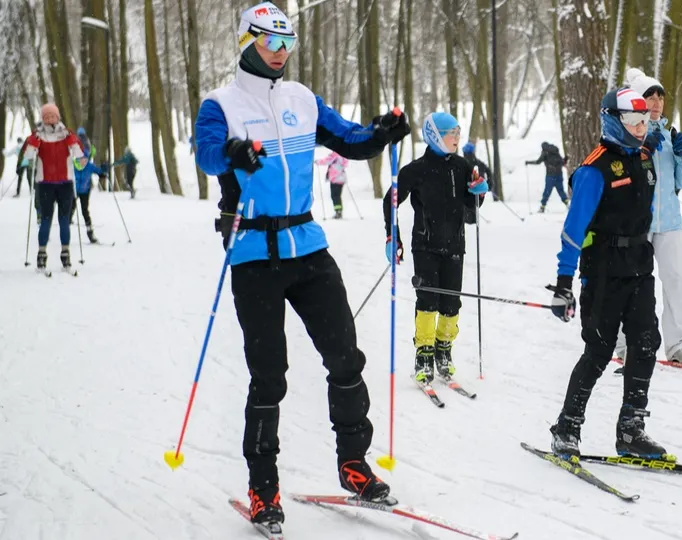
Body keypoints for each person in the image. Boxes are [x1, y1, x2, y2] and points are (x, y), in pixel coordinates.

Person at [193, 2, 410, 530]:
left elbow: (350, 139)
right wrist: (234, 153)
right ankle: (263, 488)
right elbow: (207, 155)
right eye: (272, 42)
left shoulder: (303, 99)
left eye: (288, 42)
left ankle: (354, 465)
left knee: (345, 357)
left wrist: (381, 132)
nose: (281, 52)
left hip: (308, 248)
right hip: (254, 256)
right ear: (247, 42)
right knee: (269, 376)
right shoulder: (220, 104)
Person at [546, 87, 668, 460]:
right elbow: (573, 230)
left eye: (644, 120)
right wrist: (564, 283)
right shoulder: (593, 169)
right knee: (599, 351)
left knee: (645, 344)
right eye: (632, 120)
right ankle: (567, 427)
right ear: (612, 120)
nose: (640, 127)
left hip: (639, 267)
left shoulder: (645, 159)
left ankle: (631, 428)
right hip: (603, 272)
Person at [382, 112, 487, 384]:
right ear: (435, 136)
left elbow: (471, 210)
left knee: (451, 304)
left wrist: (479, 193)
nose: (457, 138)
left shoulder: (463, 166)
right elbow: (390, 201)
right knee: (427, 301)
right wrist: (392, 236)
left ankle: (444, 350)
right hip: (425, 247)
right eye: (451, 133)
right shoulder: (415, 170)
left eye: (458, 132)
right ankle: (424, 354)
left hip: (455, 247)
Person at [612, 68, 682, 365]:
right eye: (650, 96)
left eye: (660, 96)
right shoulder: (626, 135)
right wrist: (643, 150)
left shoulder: (669, 135)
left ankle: (678, 344)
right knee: (633, 282)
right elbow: (621, 176)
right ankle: (625, 343)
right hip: (638, 222)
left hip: (669, 221)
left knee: (676, 281)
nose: (657, 102)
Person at [22, 103, 84, 271]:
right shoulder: (38, 135)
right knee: (46, 220)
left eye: (52, 116)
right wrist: (32, 143)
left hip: (65, 183)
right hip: (45, 184)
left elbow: (80, 155)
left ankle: (65, 253)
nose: (50, 119)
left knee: (64, 220)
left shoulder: (66, 134)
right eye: (46, 116)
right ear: (43, 119)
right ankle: (41, 254)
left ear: (58, 117)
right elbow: (28, 156)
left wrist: (74, 143)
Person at [526, 141, 568, 213]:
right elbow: (562, 162)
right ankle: (568, 205)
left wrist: (528, 162)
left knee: (547, 191)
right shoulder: (556, 151)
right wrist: (565, 159)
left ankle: (542, 207)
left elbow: (538, 162)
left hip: (550, 175)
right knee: (561, 190)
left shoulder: (545, 152)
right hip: (559, 175)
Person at [72, 156, 106, 243]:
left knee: (85, 211)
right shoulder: (72, 165)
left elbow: (99, 171)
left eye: (86, 159)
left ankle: (90, 233)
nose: (84, 162)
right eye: (82, 159)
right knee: (70, 209)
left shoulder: (89, 166)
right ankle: (65, 231)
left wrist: (103, 171)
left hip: (85, 191)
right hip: (73, 191)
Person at [316, 151, 348, 219]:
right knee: (337, 196)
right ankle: (339, 211)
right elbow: (345, 164)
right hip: (341, 178)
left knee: (334, 196)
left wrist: (317, 162)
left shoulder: (335, 155)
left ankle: (338, 212)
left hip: (335, 178)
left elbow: (327, 160)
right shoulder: (343, 155)